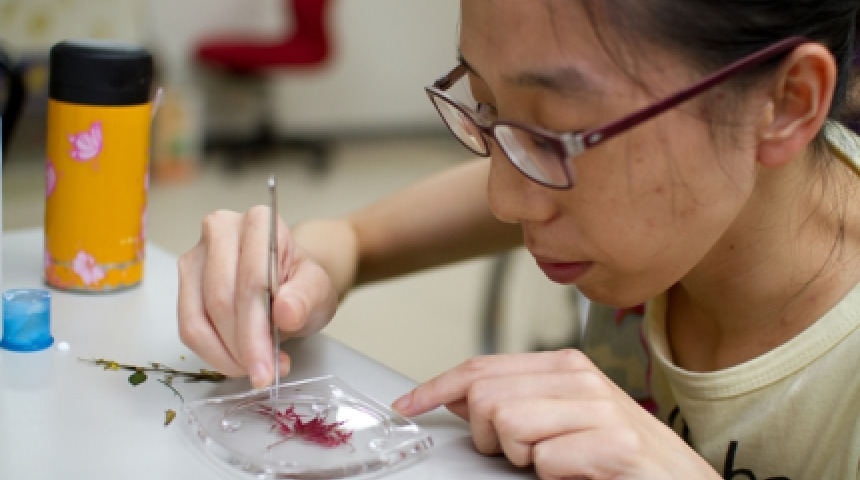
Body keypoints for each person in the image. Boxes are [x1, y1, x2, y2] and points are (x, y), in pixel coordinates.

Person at [177, 1, 860, 478]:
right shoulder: (681, 201)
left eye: (557, 134)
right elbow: (353, 240)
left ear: (785, 104)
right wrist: (299, 263)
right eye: (487, 106)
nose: (505, 200)